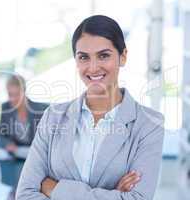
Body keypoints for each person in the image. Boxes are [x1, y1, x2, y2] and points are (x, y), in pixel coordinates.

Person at [16, 15, 164, 200]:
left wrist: (54, 189)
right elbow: (24, 194)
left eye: (104, 55)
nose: (93, 68)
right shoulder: (53, 117)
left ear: (123, 56)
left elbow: (138, 198)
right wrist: (113, 195)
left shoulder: (149, 124)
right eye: (84, 57)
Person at [0, 75, 48, 198]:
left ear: (24, 92)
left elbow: (46, 141)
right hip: (15, 157)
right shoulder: (6, 108)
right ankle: (15, 192)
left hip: (34, 155)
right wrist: (7, 144)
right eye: (10, 94)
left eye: (16, 94)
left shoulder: (40, 109)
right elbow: (0, 136)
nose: (13, 99)